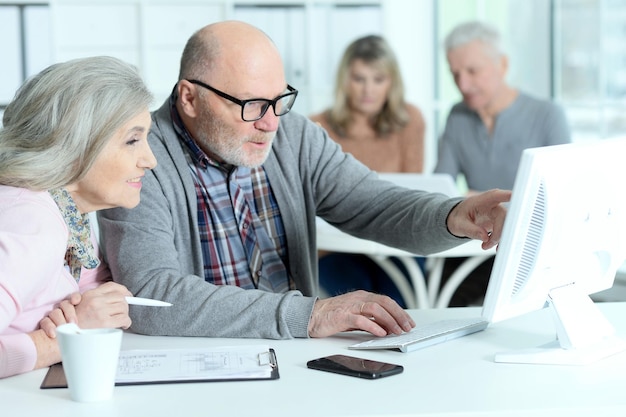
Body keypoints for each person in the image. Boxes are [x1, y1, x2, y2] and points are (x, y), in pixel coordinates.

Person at [93, 20, 509, 341]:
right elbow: (150, 295)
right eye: (253, 105)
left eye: (279, 100)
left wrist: (456, 214)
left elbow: (374, 204)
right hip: (205, 359)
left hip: (296, 351)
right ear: (189, 97)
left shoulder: (293, 136)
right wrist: (308, 315)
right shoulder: (139, 156)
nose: (271, 123)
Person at [0, 56, 157, 378]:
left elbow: (82, 290)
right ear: (73, 148)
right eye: (132, 141)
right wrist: (67, 336)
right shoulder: (34, 225)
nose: (150, 160)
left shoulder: (67, 212)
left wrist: (97, 304)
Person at [434, 20, 571, 306]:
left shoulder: (547, 115)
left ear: (503, 65)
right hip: (475, 245)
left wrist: (476, 200)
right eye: (455, 73)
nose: (463, 84)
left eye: (473, 71)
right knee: (441, 301)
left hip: (531, 247)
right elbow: (440, 188)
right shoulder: (457, 117)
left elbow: (561, 196)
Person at [310, 34, 426, 306]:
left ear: (391, 82)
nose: (368, 90)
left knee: (398, 306)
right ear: (344, 80)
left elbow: (412, 191)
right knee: (361, 308)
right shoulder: (317, 125)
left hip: (398, 245)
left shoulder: (409, 121)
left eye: (378, 79)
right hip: (336, 247)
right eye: (359, 79)